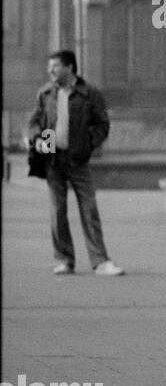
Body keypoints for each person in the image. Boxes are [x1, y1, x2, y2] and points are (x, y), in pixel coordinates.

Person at [26, 50, 125, 276]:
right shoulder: (45, 93)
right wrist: (38, 139)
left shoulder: (89, 94)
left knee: (89, 209)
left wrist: (88, 144)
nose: (50, 71)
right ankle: (65, 260)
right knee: (57, 211)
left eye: (55, 66)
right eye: (49, 67)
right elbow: (34, 122)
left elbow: (102, 124)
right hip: (53, 159)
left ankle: (100, 261)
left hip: (78, 160)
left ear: (70, 68)